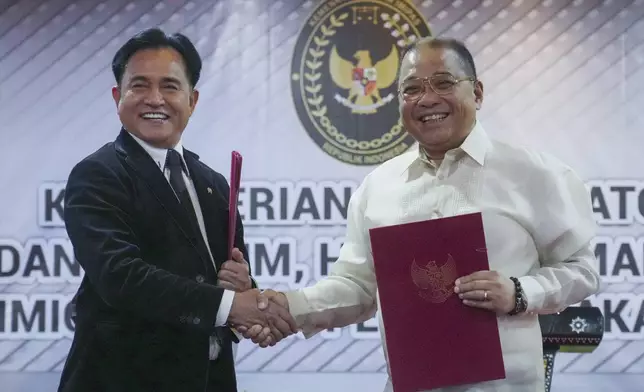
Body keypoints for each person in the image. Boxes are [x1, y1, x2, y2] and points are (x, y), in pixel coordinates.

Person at [238, 37, 601, 391]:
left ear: (477, 93)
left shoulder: (534, 174)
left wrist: (519, 292)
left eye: (443, 83)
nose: (427, 99)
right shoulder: (378, 187)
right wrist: (289, 306)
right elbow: (359, 287)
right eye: (411, 89)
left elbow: (582, 270)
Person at [57, 28, 297, 392]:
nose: (155, 99)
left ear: (193, 99)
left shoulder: (214, 184)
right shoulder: (98, 174)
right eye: (139, 85)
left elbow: (224, 282)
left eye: (169, 86)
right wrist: (232, 305)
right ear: (117, 96)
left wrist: (247, 292)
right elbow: (121, 277)